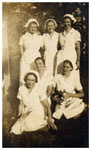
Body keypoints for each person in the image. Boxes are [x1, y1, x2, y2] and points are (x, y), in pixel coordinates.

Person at [19, 18, 43, 85]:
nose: (33, 29)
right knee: (25, 74)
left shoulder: (39, 37)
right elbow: (21, 48)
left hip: (36, 58)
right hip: (26, 58)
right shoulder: (23, 37)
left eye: (35, 27)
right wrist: (23, 58)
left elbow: (43, 48)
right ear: (28, 27)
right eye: (31, 27)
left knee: (36, 74)